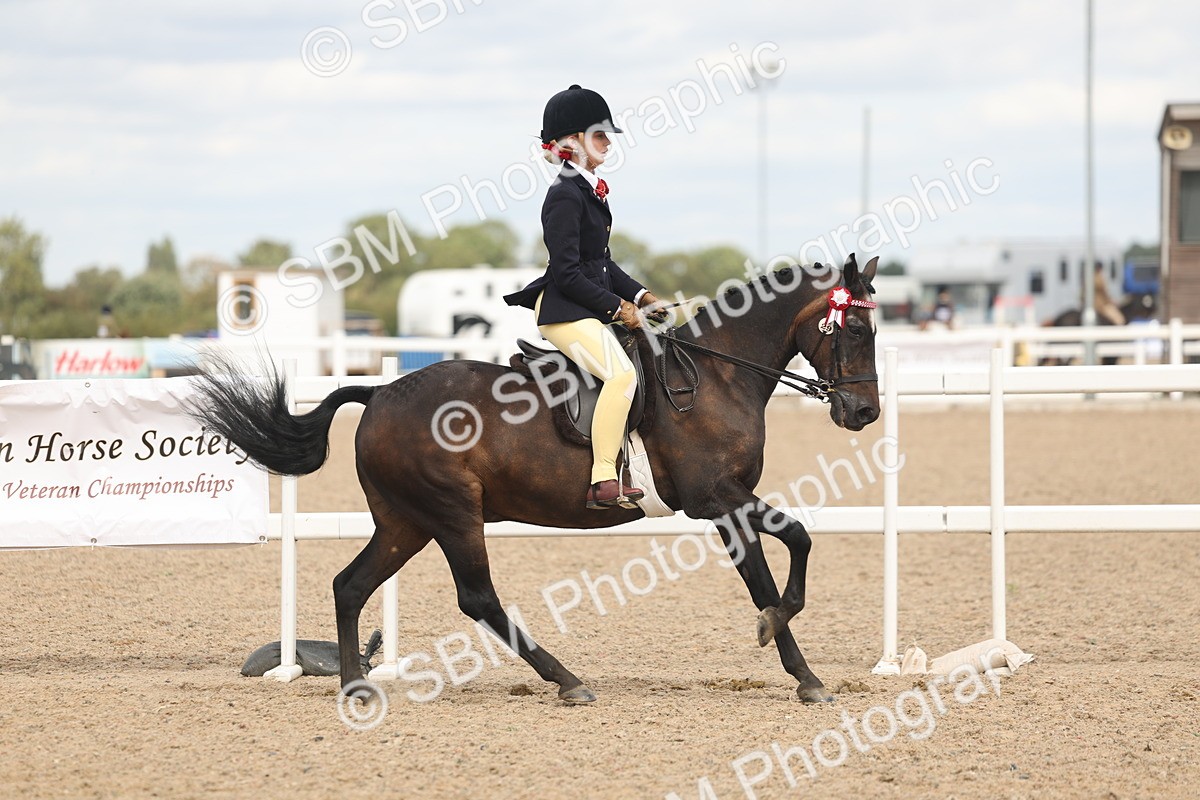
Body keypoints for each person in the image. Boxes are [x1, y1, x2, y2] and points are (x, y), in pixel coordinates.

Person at [504, 85, 663, 510]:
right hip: (564, 312)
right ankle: (603, 477)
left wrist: (645, 297)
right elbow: (567, 272)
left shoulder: (589, 190)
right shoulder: (564, 194)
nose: (608, 142)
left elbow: (604, 264)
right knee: (621, 375)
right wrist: (618, 308)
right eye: (599, 135)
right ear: (571, 143)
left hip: (585, 307)